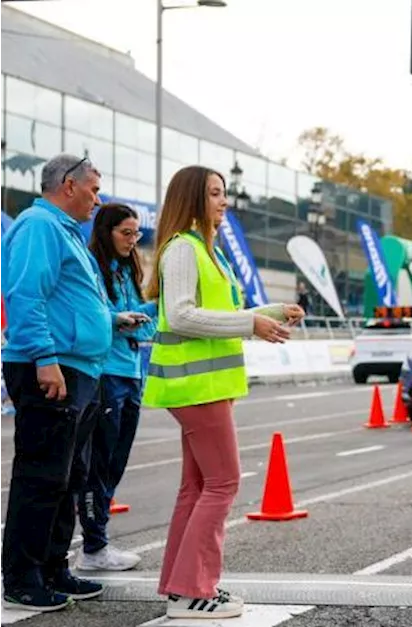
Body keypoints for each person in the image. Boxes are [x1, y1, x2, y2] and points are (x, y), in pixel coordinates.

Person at [143, 165, 304, 619]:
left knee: (196, 487)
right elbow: (179, 316)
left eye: (225, 193)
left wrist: (270, 312)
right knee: (223, 484)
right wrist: (251, 323)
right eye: (215, 193)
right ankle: (192, 591)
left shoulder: (206, 252)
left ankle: (183, 587)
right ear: (193, 199)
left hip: (204, 384)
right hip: (196, 386)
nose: (224, 201)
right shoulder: (183, 250)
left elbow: (220, 312)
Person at [1, 154, 113, 612]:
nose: (98, 199)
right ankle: (22, 577)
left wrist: (112, 320)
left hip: (80, 368)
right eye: (94, 189)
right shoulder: (39, 226)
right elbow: (26, 295)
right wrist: (45, 359)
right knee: (42, 475)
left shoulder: (66, 232)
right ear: (69, 185)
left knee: (68, 477)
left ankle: (52, 566)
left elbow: (70, 300)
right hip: (51, 368)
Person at [75, 203, 156, 572]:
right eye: (126, 233)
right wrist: (117, 320)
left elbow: (140, 320)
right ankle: (93, 546)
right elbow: (93, 315)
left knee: (117, 461)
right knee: (100, 463)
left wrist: (151, 311)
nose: (132, 240)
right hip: (105, 373)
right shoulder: (93, 266)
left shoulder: (128, 268)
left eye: (136, 233)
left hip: (131, 372)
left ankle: (97, 542)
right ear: (106, 232)